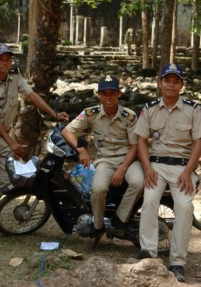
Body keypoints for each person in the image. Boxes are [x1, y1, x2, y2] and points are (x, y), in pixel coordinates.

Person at [0, 43, 69, 237]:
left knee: (6, 177)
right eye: (0, 59)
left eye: (7, 59)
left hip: (4, 135)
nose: (5, 63)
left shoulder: (15, 77)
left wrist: (53, 114)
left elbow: (32, 95)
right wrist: (12, 143)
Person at [134, 63, 201, 282]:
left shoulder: (192, 109)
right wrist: (147, 168)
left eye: (176, 81)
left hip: (182, 168)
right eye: (167, 80)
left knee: (184, 207)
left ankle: (177, 262)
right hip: (156, 165)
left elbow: (199, 142)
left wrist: (188, 172)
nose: (171, 84)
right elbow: (141, 140)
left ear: (181, 85)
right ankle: (149, 254)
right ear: (160, 83)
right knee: (149, 202)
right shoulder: (149, 108)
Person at [61, 75, 144, 238]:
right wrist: (81, 150)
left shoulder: (129, 116)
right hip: (105, 160)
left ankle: (121, 219)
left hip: (128, 159)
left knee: (138, 182)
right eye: (104, 93)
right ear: (98, 95)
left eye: (112, 93)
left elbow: (135, 146)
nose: (108, 97)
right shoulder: (91, 113)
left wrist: (122, 168)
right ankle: (98, 225)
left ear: (119, 93)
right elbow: (67, 131)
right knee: (98, 189)